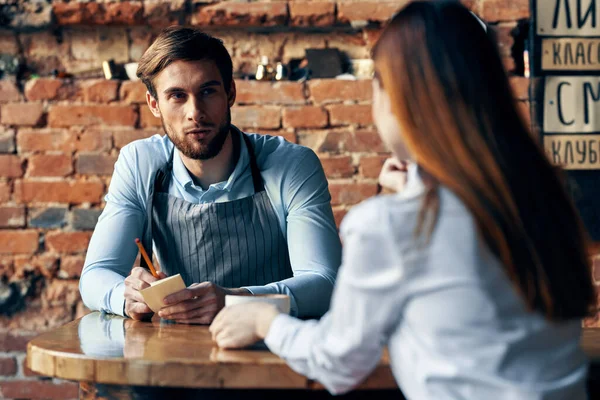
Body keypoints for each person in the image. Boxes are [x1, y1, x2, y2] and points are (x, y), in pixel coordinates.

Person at [209, 2, 596, 399]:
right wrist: (413, 191)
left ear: (396, 97)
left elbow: (338, 362)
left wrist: (265, 321)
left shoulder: (392, 224)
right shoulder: (545, 195)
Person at [79, 27, 341, 324]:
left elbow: (325, 283)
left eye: (207, 91)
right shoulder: (140, 164)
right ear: (154, 105)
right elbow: (94, 276)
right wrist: (127, 298)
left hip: (271, 350)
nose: (195, 112)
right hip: (173, 352)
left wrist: (236, 302)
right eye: (177, 96)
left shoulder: (292, 165)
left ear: (230, 92)